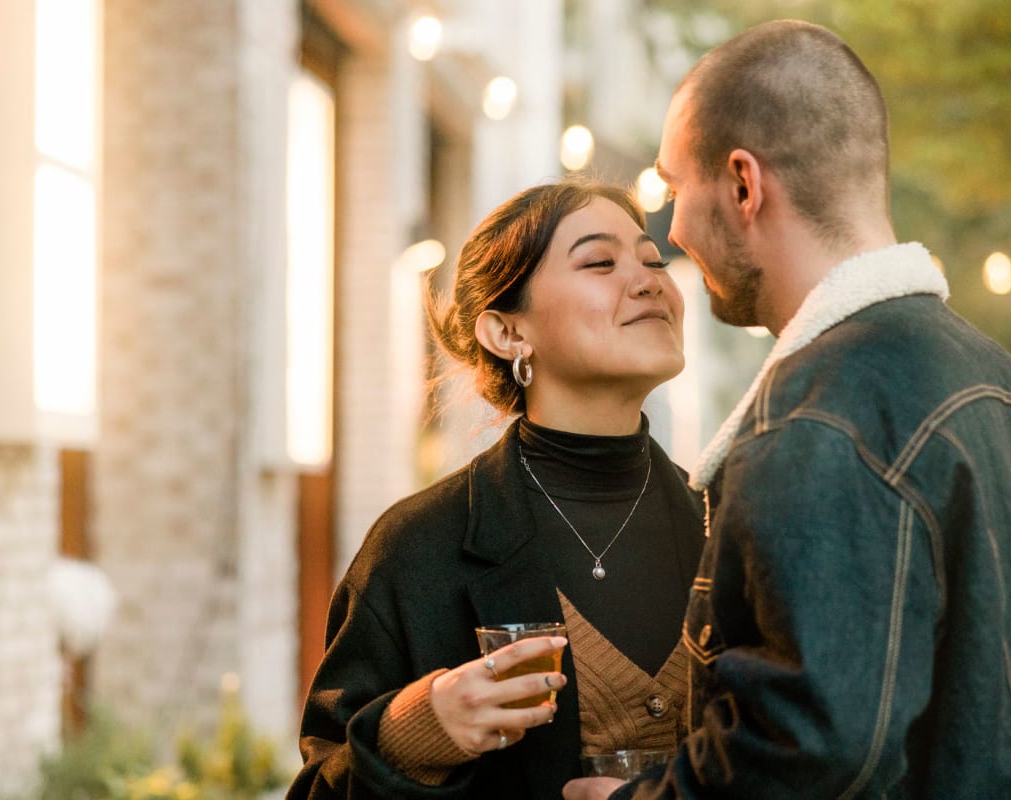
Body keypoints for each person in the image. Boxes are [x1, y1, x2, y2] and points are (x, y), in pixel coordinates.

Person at [564, 19, 1011, 800]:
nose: (673, 231)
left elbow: (812, 752)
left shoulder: (815, 420)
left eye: (675, 186)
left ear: (744, 185)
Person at [287, 178, 706, 799]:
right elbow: (320, 789)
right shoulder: (418, 546)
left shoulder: (726, 524)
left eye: (652, 260)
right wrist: (417, 732)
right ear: (508, 334)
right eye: (599, 262)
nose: (650, 281)